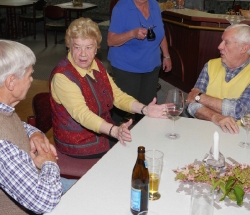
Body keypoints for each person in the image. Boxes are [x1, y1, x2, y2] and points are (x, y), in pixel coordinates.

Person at [50, 17, 168, 159]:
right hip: (79, 143)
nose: (83, 54)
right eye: (77, 47)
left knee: (148, 146)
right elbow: (82, 114)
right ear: (69, 46)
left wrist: (145, 109)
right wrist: (114, 131)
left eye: (88, 47)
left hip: (104, 135)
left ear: (96, 48)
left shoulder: (97, 64)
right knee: (133, 156)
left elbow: (116, 96)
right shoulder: (63, 76)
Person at [0, 40, 62, 214]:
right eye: (29, 75)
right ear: (11, 82)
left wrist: (34, 133)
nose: (32, 80)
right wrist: (49, 162)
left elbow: (16, 124)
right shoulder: (2, 145)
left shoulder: (4, 109)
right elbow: (44, 202)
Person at [107, 0, 172, 125]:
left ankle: (144, 140)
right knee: (125, 108)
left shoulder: (154, 5)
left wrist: (166, 55)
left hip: (151, 64)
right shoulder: (121, 8)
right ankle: (109, 136)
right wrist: (132, 33)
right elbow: (110, 40)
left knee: (147, 106)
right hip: (127, 66)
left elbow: (160, 33)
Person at [186, 24, 250, 134]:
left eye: (227, 42)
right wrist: (215, 117)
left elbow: (238, 110)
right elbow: (191, 105)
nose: (219, 46)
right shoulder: (211, 65)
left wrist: (199, 96)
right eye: (221, 41)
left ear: (244, 48)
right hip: (204, 129)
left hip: (238, 135)